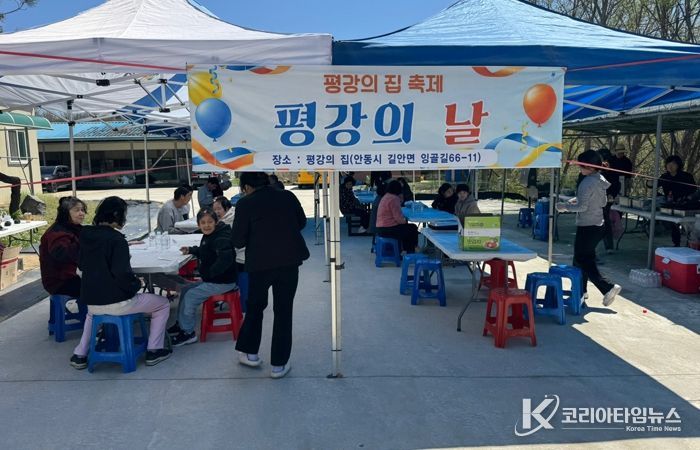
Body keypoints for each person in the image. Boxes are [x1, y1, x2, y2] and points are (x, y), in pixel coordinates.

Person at [70, 197, 172, 370]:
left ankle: (80, 354)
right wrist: (137, 284)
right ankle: (154, 350)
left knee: (92, 314)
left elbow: (81, 264)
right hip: (119, 302)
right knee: (162, 304)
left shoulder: (86, 234)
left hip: (92, 301)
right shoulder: (117, 240)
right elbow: (122, 275)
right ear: (117, 215)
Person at [232, 172, 309, 379]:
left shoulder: (245, 203)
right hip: (289, 261)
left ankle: (249, 353)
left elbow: (238, 240)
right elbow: (301, 222)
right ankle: (279, 365)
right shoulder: (288, 196)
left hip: (260, 264)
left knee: (255, 307)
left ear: (246, 187)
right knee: (284, 311)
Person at [556, 150, 621, 307]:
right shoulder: (600, 179)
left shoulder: (586, 182)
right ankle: (581, 291)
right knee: (583, 258)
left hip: (587, 225)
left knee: (582, 260)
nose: (579, 169)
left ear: (590, 167)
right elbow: (602, 201)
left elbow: (582, 206)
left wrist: (564, 207)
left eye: (581, 166)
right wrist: (576, 200)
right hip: (598, 224)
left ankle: (607, 287)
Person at [169, 208, 238, 346]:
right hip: (214, 280)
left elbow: (225, 260)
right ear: (198, 224)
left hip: (222, 282)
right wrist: (192, 250)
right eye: (203, 222)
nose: (207, 225)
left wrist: (209, 273)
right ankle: (182, 323)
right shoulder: (211, 235)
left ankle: (188, 333)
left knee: (191, 295)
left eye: (210, 222)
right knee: (186, 289)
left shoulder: (221, 238)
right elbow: (206, 250)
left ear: (216, 222)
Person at [39, 196, 86, 299]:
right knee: (101, 285)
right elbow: (62, 254)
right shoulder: (57, 232)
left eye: (82, 210)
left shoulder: (74, 227)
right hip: (59, 282)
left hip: (72, 276)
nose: (81, 213)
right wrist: (85, 244)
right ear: (65, 213)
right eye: (77, 210)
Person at [659, 155, 697, 246]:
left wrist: (686, 198)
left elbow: (694, 190)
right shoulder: (665, 176)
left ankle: (690, 243)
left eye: (673, 164)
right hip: (671, 204)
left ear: (678, 165)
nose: (670, 166)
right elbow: (653, 185)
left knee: (689, 226)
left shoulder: (686, 176)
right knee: (673, 224)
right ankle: (676, 244)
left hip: (686, 205)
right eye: (668, 164)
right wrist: (650, 183)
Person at [376, 180, 419, 253]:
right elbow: (399, 219)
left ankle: (406, 248)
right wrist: (405, 220)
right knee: (412, 228)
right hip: (388, 229)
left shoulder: (386, 196)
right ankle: (411, 250)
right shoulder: (394, 199)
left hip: (381, 227)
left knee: (407, 228)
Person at [598, 148, 620, 253]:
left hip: (607, 197)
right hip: (597, 196)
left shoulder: (612, 167)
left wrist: (612, 194)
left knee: (605, 221)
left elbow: (616, 183)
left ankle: (609, 246)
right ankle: (606, 245)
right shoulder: (597, 167)